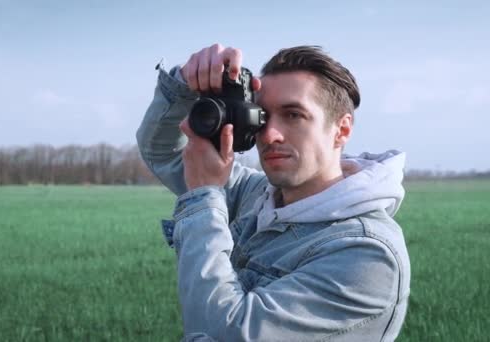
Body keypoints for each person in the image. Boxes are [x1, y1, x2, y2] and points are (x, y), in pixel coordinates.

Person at [136, 43, 410, 341]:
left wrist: (205, 196)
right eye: (262, 116)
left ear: (342, 130)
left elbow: (224, 334)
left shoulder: (366, 253)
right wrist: (185, 83)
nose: (269, 135)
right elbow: (162, 151)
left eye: (293, 115)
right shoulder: (257, 196)